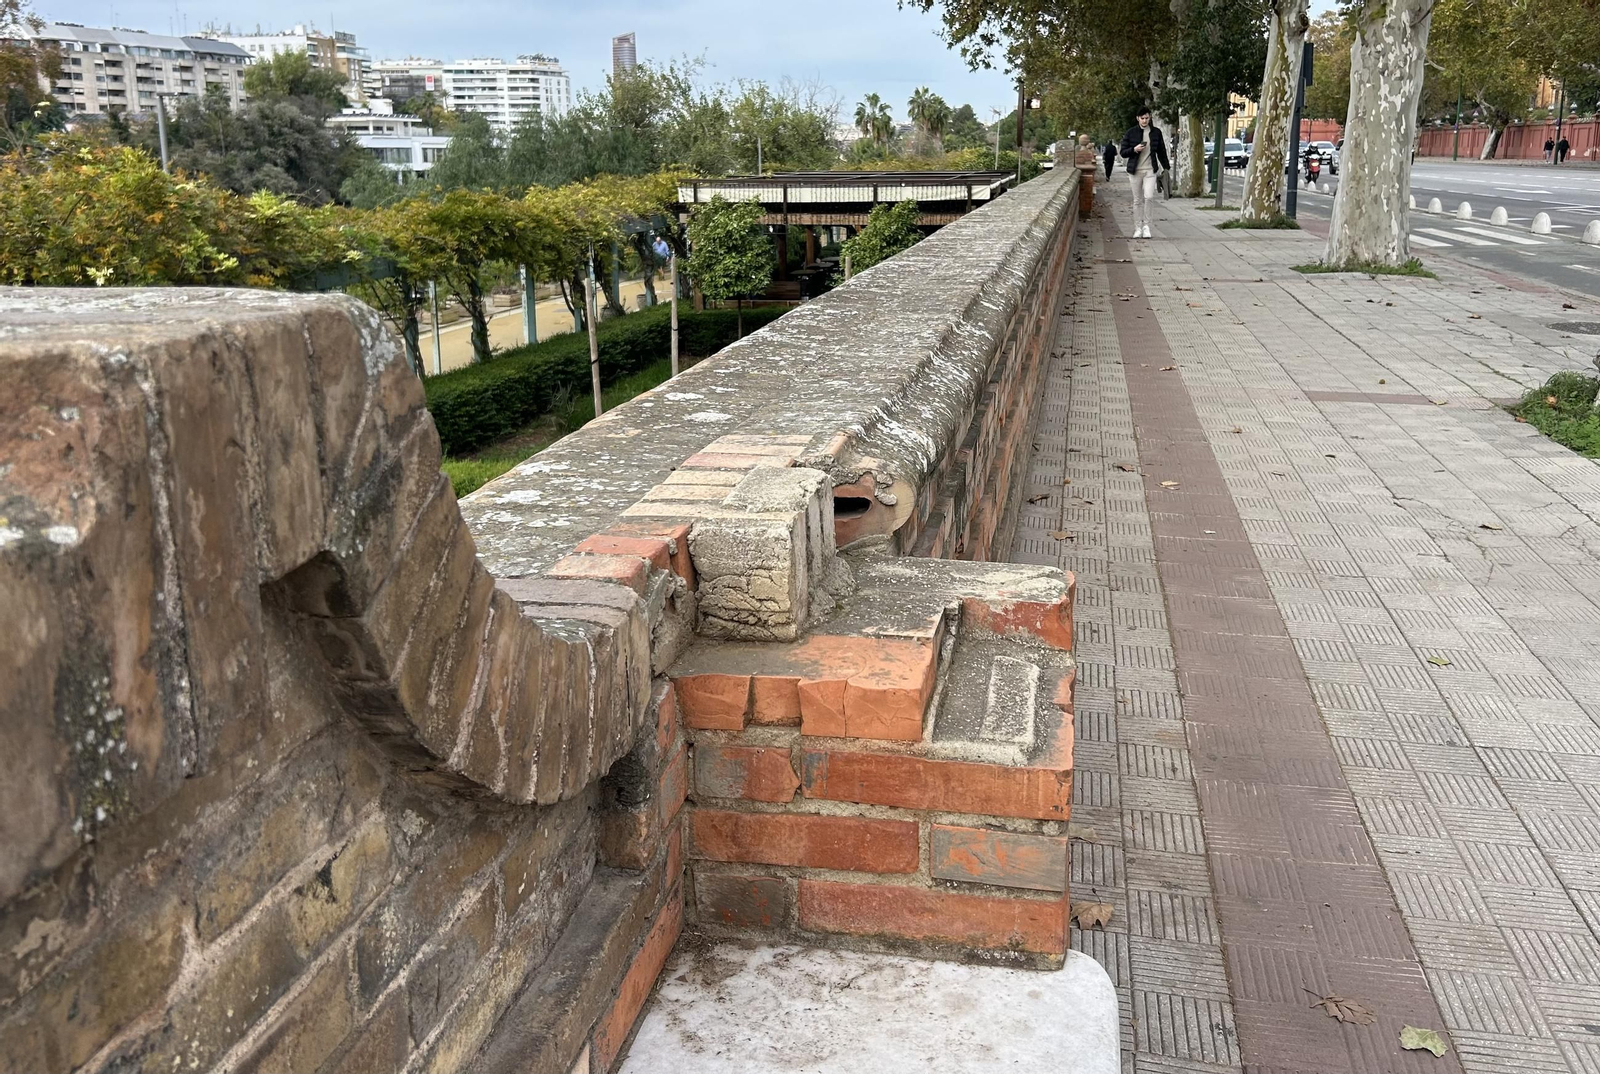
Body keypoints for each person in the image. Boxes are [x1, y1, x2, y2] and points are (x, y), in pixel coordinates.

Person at [1119, 106, 1169, 239]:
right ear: (1138, 118)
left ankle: (1147, 226)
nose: (1145, 121)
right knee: (1137, 200)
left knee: (1149, 197)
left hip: (1150, 170)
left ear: (1150, 117)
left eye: (1147, 118)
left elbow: (1161, 151)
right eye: (1142, 118)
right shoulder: (1131, 133)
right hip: (1135, 171)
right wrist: (1134, 149)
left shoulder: (1156, 132)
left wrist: (1166, 167)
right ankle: (1138, 227)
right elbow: (1123, 152)